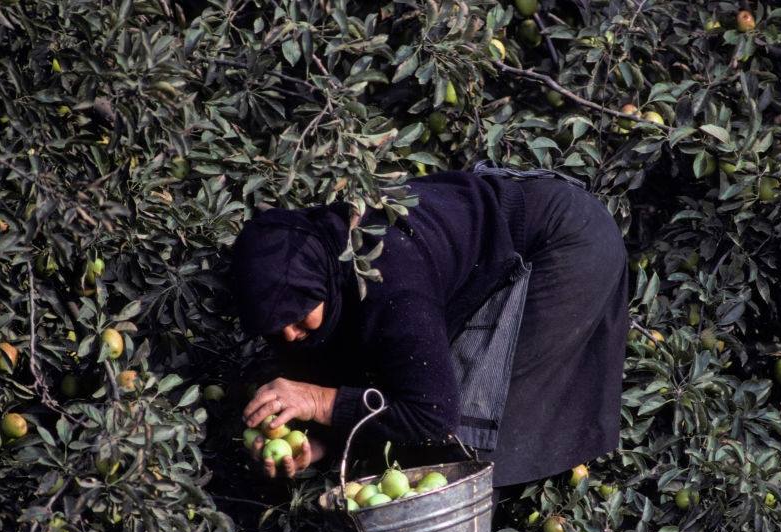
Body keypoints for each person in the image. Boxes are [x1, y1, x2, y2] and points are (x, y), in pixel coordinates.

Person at [230, 164, 629, 491]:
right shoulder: (327, 262)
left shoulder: (391, 283)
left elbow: (433, 414)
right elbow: (372, 372)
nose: (290, 335)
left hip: (562, 241)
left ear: (320, 281)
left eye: (300, 315)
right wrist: (320, 443)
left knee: (471, 428)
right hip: (502, 235)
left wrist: (318, 402)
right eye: (273, 326)